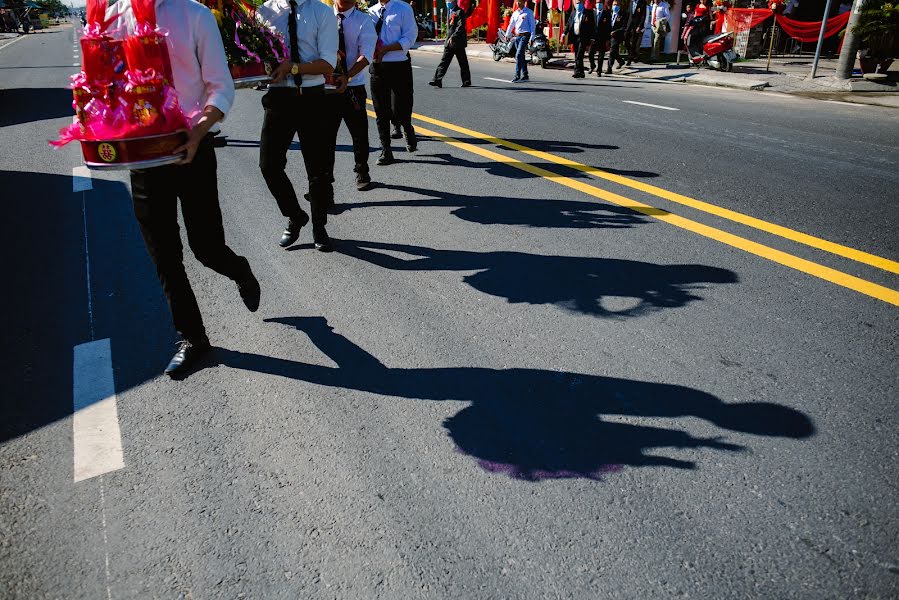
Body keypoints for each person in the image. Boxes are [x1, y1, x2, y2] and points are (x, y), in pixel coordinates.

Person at [109, 0, 260, 377]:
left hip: (191, 148)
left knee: (206, 248)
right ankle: (193, 337)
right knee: (164, 255)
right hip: (144, 157)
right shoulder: (113, 18)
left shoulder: (193, 14)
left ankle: (239, 269)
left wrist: (196, 134)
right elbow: (107, 87)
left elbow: (220, 86)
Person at [257, 0, 337, 253]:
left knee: (317, 169)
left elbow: (327, 64)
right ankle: (295, 215)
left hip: (311, 97)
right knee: (268, 165)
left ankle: (319, 226)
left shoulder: (321, 12)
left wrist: (291, 68)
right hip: (279, 98)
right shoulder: (264, 11)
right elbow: (258, 55)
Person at [327, 0, 377, 194]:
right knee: (325, 137)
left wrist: (347, 76)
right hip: (326, 88)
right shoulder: (323, 16)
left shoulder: (363, 21)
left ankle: (362, 171)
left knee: (359, 133)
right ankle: (325, 182)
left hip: (352, 88)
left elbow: (366, 56)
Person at [369, 0, 418, 165]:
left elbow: (410, 37)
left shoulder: (403, 8)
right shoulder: (369, 12)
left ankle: (407, 127)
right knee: (380, 110)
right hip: (377, 66)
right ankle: (386, 150)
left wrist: (386, 49)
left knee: (401, 108)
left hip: (399, 65)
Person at [429, 0, 471, 87]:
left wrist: (453, 36)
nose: (448, 3)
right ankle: (437, 80)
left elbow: (461, 26)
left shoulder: (460, 12)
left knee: (463, 62)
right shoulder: (449, 11)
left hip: (458, 42)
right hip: (449, 42)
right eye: (447, 1)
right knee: (444, 61)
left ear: (455, 2)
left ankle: (466, 81)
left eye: (449, 1)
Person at [505, 0, 536, 82]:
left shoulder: (528, 12)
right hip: (517, 37)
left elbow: (532, 25)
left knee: (518, 55)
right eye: (517, 1)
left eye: (520, 1)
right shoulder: (515, 13)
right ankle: (525, 74)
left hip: (525, 36)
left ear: (523, 2)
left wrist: (531, 38)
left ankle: (517, 75)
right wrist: (507, 35)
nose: (518, 3)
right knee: (521, 56)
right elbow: (511, 24)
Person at [563, 0, 595, 78]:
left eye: (580, 3)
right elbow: (568, 24)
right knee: (577, 54)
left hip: (583, 37)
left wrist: (592, 37)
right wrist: (564, 33)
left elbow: (592, 26)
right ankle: (581, 72)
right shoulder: (573, 13)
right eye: (577, 3)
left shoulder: (588, 13)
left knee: (579, 54)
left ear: (583, 3)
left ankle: (577, 71)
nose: (578, 5)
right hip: (574, 36)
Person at [588, 1, 611, 75]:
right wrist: (590, 37)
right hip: (593, 37)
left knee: (601, 55)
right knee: (590, 53)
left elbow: (608, 27)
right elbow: (590, 26)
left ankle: (599, 70)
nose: (599, 4)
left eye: (600, 2)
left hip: (602, 37)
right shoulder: (592, 13)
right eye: (597, 2)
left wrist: (608, 39)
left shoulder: (606, 14)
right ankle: (592, 65)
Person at [624, 0, 646, 65]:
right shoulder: (631, 2)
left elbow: (643, 16)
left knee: (633, 42)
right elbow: (628, 13)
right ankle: (633, 53)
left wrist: (640, 26)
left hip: (636, 25)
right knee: (626, 40)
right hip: (629, 24)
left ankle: (629, 59)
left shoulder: (642, 2)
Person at [607, 0, 626, 73]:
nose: (615, 6)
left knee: (612, 51)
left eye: (617, 5)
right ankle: (621, 61)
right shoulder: (609, 13)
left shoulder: (622, 15)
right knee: (614, 51)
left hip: (617, 36)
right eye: (614, 5)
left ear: (619, 6)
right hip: (609, 35)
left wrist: (615, 31)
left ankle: (609, 67)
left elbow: (624, 27)